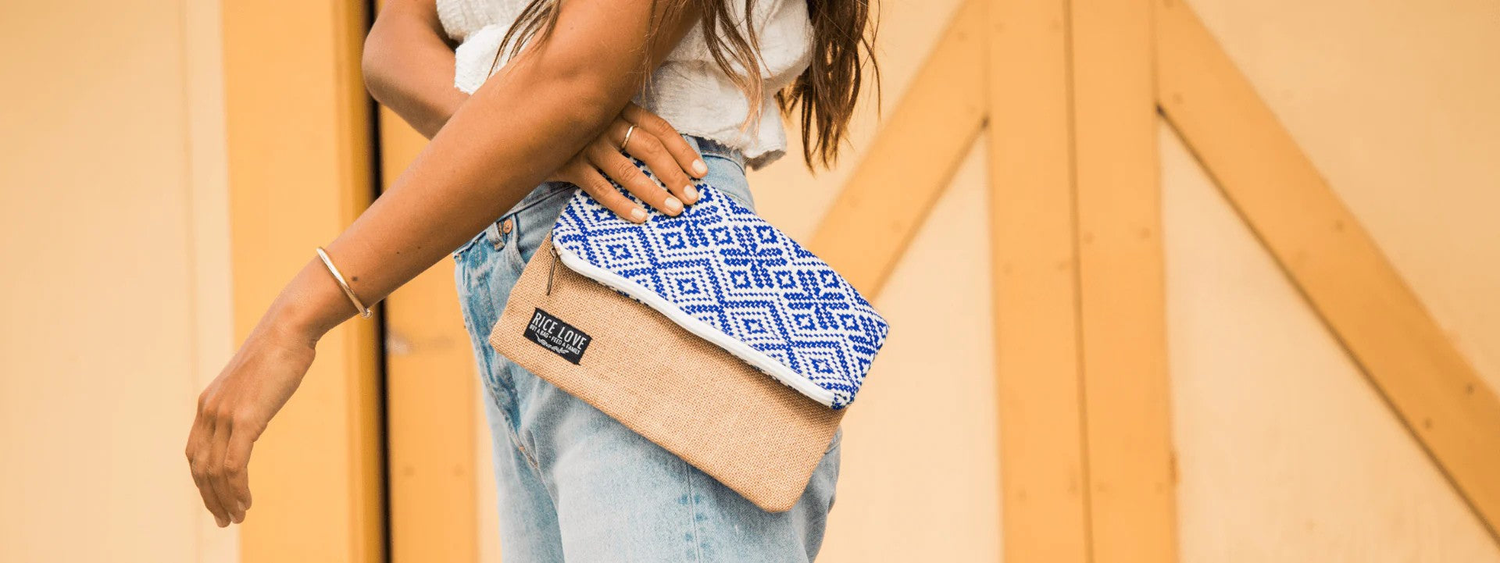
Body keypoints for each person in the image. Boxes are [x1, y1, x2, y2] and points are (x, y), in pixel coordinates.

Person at [184, 0, 875, 559]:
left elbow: (579, 75)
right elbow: (393, 39)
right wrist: (538, 133)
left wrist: (299, 313)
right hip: (523, 265)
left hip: (648, 243)